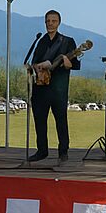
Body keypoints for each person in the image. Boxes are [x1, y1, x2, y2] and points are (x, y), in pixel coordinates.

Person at [28, 10, 81, 163]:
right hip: (40, 87)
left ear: (59, 23)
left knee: (61, 120)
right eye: (48, 21)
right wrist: (37, 67)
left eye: (53, 21)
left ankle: (63, 151)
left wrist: (67, 62)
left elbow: (75, 64)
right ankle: (42, 150)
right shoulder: (41, 41)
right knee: (40, 120)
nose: (50, 24)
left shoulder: (67, 42)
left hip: (58, 88)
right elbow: (34, 61)